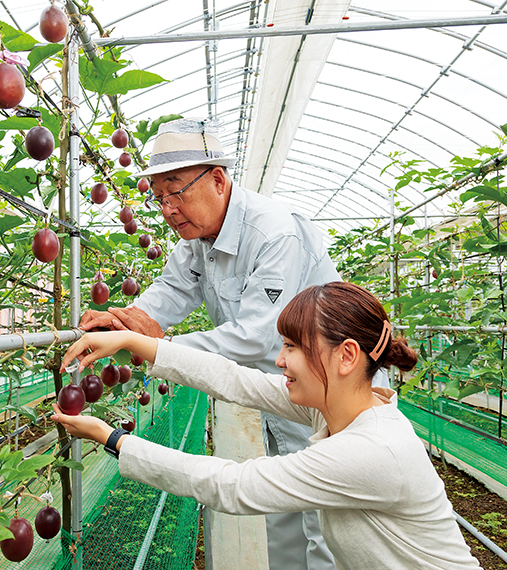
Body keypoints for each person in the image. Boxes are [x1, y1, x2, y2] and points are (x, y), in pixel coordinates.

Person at [55, 282, 482, 570]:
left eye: (293, 347)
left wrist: (109, 437)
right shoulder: (337, 408)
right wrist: (134, 341)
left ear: (347, 356)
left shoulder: (371, 450)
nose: (280, 360)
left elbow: (233, 485)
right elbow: (236, 379)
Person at [81, 117, 343, 569]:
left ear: (217, 180)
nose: (166, 208)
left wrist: (151, 346)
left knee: (326, 519)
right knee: (280, 502)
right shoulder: (199, 241)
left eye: (175, 191)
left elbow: (254, 337)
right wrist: (124, 319)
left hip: (328, 393)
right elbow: (170, 292)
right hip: (281, 392)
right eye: (159, 196)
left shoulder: (272, 233)